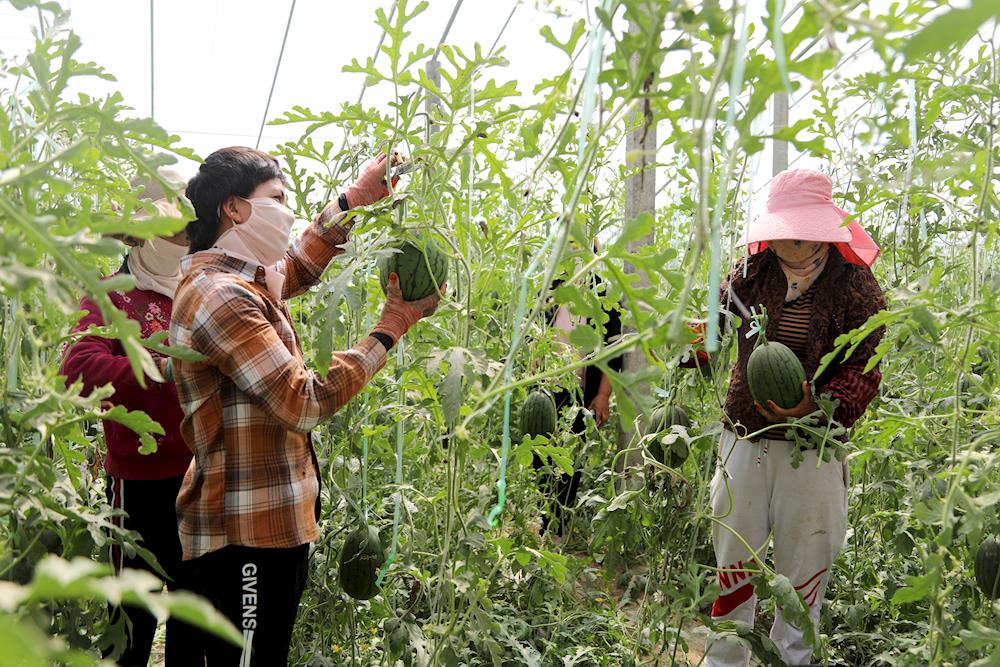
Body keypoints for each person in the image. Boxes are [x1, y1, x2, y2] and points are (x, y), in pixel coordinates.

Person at [171, 147, 441, 666]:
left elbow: (294, 268)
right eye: (276, 198)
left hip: (267, 523)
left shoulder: (241, 280)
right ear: (234, 208)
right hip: (244, 535)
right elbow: (303, 401)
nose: (288, 211)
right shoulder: (220, 296)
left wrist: (355, 200)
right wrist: (390, 329)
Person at [702, 168, 885, 667]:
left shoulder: (855, 286)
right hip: (745, 435)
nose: (786, 243)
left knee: (804, 566)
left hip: (812, 446)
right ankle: (726, 660)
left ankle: (792, 658)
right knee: (733, 561)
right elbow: (715, 328)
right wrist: (695, 343)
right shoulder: (749, 270)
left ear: (822, 232)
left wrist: (819, 406)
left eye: (797, 235)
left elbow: (866, 368)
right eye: (779, 233)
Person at [60, 168, 205, 666]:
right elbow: (76, 368)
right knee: (131, 618)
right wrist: (163, 368)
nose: (183, 239)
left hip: (202, 479)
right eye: (171, 230)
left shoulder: (205, 287)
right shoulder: (110, 294)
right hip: (139, 485)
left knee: (194, 611)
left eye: (188, 229)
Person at [533, 240, 622, 537]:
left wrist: (603, 395)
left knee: (570, 462)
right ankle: (540, 517)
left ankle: (558, 528)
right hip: (544, 388)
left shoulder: (604, 294)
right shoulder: (549, 289)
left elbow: (614, 352)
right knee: (539, 457)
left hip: (581, 392)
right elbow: (534, 336)